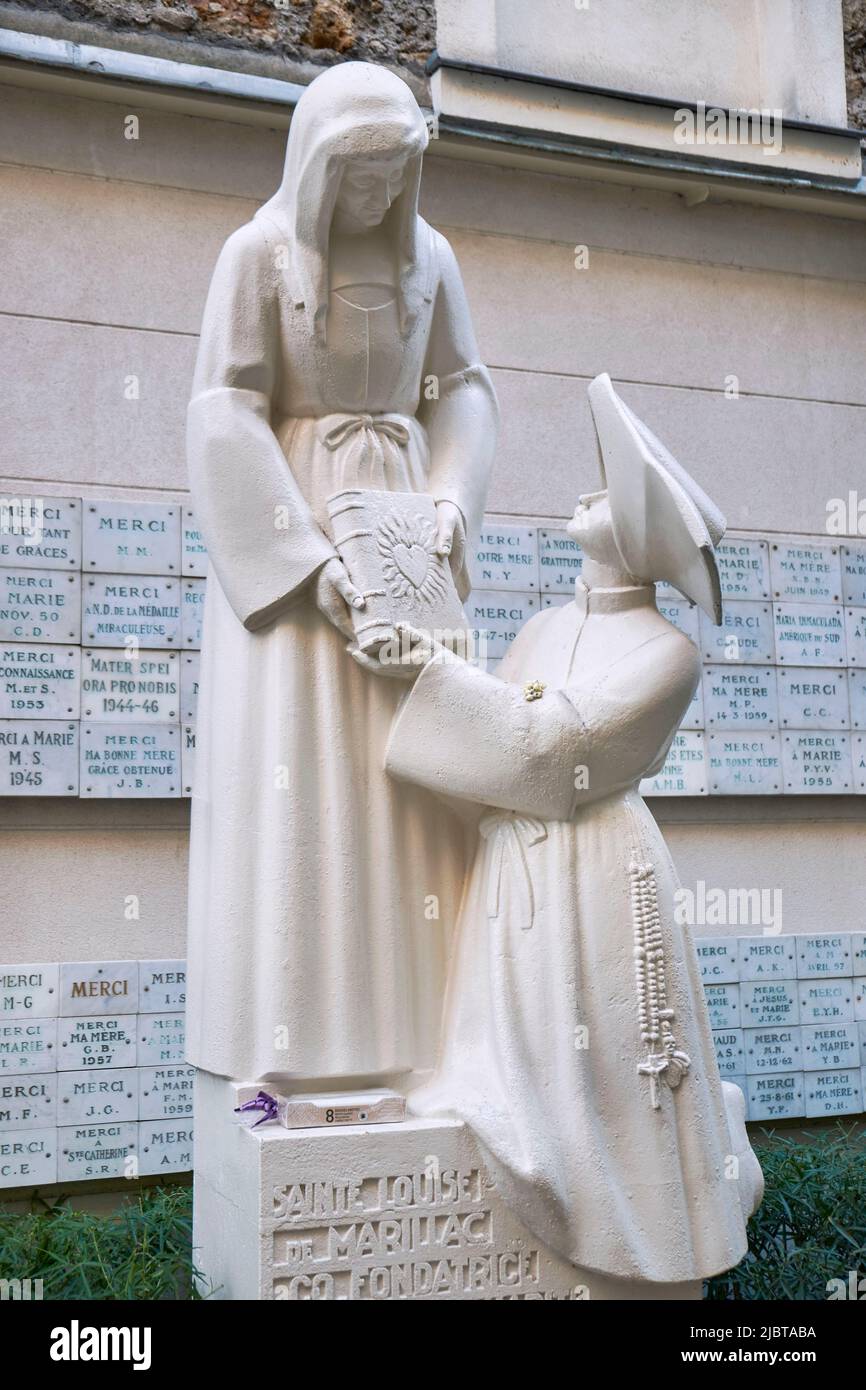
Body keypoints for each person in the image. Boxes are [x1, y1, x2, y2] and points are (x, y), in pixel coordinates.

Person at [374, 375, 763, 1283]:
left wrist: (426, 669)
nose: (585, 493)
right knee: (524, 1057)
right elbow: (491, 742)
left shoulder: (667, 656)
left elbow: (553, 750)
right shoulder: (545, 626)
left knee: (611, 1075)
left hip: (601, 876)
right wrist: (420, 659)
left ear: (635, 530)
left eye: (608, 488)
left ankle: (637, 1243)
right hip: (519, 869)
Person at [185, 63, 498, 1084]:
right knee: (305, 785)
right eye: (355, 174)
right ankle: (301, 1055)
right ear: (318, 169)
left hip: (410, 538)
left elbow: (462, 394)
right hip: (302, 535)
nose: (372, 195)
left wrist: (451, 502)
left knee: (414, 786)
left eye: (390, 174)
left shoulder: (433, 259)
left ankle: (424, 1049)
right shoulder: (258, 257)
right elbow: (225, 409)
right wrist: (303, 557)